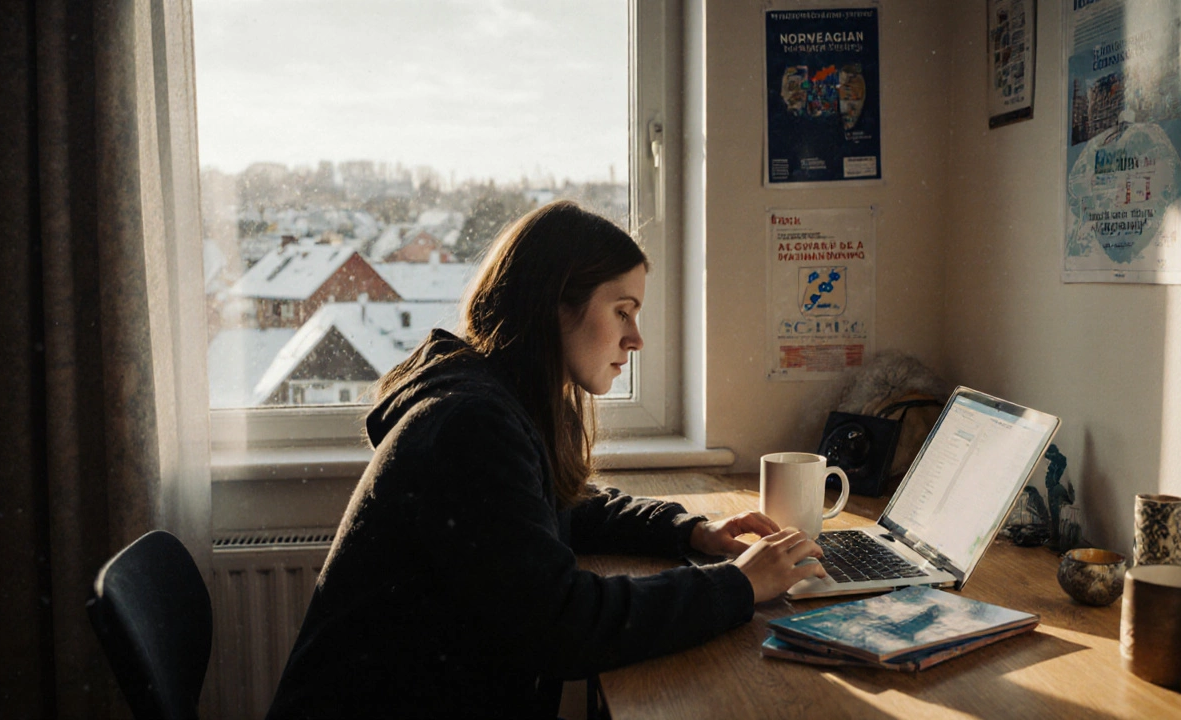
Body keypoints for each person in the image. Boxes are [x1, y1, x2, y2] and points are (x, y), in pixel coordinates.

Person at [266, 200, 826, 719]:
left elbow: (565, 505)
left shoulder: (496, 402)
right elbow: (565, 625)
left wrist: (692, 531)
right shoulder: (471, 426)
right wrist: (737, 585)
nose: (637, 339)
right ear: (555, 304)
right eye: (623, 311)